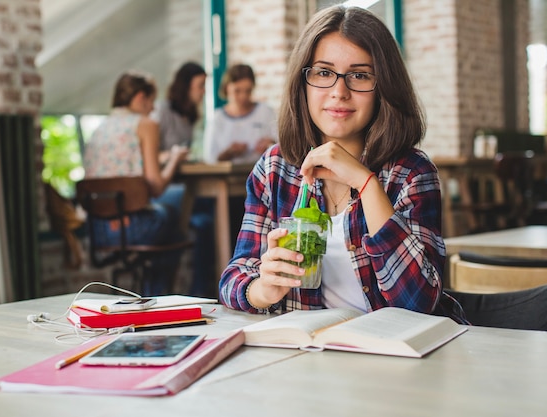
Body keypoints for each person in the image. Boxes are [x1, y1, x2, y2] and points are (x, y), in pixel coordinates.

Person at [218, 6, 465, 323]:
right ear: (302, 82)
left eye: (360, 75)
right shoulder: (275, 168)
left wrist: (366, 184)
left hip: (399, 357)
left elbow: (419, 302)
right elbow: (233, 278)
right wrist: (262, 290)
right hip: (312, 358)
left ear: (383, 87)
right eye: (323, 73)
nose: (339, 92)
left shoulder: (411, 173)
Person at [83, 70, 189, 294]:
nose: (153, 109)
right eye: (151, 101)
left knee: (170, 226)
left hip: (99, 229)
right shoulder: (145, 124)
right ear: (141, 97)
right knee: (177, 212)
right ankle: (156, 298)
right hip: (134, 227)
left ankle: (147, 295)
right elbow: (157, 187)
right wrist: (175, 158)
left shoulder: (99, 128)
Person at [151, 62, 215, 297]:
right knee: (209, 210)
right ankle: (199, 288)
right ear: (185, 86)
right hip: (164, 188)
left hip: (182, 185)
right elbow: (149, 156)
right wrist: (173, 156)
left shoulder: (189, 116)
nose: (203, 92)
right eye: (200, 86)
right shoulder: (162, 111)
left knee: (209, 219)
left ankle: (203, 287)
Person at [203, 64, 277, 163]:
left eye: (248, 91)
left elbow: (282, 146)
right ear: (226, 88)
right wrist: (228, 153)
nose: (243, 97)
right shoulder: (218, 118)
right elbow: (210, 159)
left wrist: (270, 144)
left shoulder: (265, 112)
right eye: (237, 91)